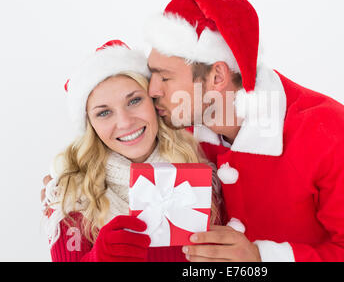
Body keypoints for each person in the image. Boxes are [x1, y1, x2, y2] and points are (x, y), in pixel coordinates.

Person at [142, 0, 344, 262]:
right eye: (150, 74)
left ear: (217, 76)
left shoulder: (328, 130)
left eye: (165, 78)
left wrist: (261, 258)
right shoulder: (177, 126)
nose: (152, 89)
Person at [44, 39, 223, 262]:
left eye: (134, 101)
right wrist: (99, 258)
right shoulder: (72, 193)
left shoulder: (201, 170)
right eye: (103, 113)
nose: (125, 122)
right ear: (91, 126)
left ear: (154, 102)